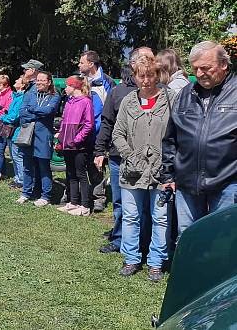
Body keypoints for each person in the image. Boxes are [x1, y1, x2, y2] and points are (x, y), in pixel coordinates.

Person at [161, 40, 237, 236]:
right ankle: (192, 268)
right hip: (187, 184)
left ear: (223, 64)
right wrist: (168, 175)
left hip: (227, 183)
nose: (200, 73)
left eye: (206, 67)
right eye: (196, 68)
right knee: (188, 237)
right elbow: (170, 138)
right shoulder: (186, 94)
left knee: (223, 238)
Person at [112, 55, 175, 281]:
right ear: (135, 77)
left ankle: (156, 262)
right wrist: (131, 155)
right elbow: (117, 134)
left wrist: (168, 161)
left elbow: (178, 133)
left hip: (161, 171)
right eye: (141, 76)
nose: (146, 81)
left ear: (157, 76)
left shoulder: (170, 99)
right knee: (131, 216)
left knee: (160, 217)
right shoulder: (129, 101)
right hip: (132, 171)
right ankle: (131, 259)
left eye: (150, 75)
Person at [94, 47, 153, 253]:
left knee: (145, 206)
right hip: (119, 157)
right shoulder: (117, 92)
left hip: (148, 159)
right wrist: (99, 150)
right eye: (142, 60)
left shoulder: (159, 91)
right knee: (120, 202)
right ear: (132, 64)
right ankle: (119, 239)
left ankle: (143, 243)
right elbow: (107, 122)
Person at [16, 71, 61, 206]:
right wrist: (37, 114)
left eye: (42, 80)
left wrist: (33, 110)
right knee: (28, 165)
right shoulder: (30, 93)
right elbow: (22, 112)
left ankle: (45, 195)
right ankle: (26, 192)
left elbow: (49, 111)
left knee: (43, 166)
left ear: (49, 82)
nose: (39, 83)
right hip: (28, 134)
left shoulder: (54, 95)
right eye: (38, 80)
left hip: (43, 135)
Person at [78, 50, 115, 212]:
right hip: (80, 131)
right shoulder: (80, 80)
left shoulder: (107, 82)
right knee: (79, 163)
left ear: (91, 64)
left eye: (81, 62)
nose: (79, 65)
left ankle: (99, 196)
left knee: (97, 164)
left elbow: (111, 109)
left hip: (98, 132)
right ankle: (78, 193)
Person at [56, 75, 94, 216]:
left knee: (81, 174)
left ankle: (85, 206)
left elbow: (89, 124)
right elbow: (64, 122)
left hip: (79, 146)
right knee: (71, 173)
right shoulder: (69, 102)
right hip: (67, 145)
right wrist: (61, 139)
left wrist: (77, 140)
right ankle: (73, 202)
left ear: (75, 87)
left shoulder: (86, 102)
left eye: (67, 85)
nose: (65, 88)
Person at [0, 77, 26, 187]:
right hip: (11, 131)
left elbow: (14, 116)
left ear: (23, 85)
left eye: (17, 81)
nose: (14, 82)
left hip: (16, 130)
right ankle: (17, 177)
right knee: (14, 156)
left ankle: (22, 180)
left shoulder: (21, 98)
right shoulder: (16, 97)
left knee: (18, 156)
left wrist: (2, 117)